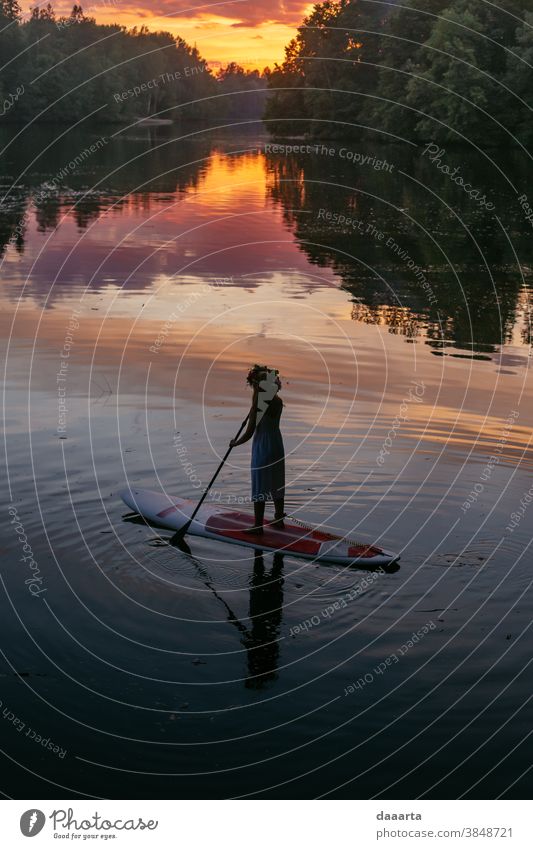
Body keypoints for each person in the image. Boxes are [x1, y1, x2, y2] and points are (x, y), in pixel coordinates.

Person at [230, 364, 285, 534]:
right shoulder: (278, 401)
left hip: (263, 446)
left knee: (260, 484)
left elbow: (249, 432)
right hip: (277, 444)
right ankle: (278, 518)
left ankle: (258, 526)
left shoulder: (258, 406)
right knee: (277, 481)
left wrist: (235, 443)